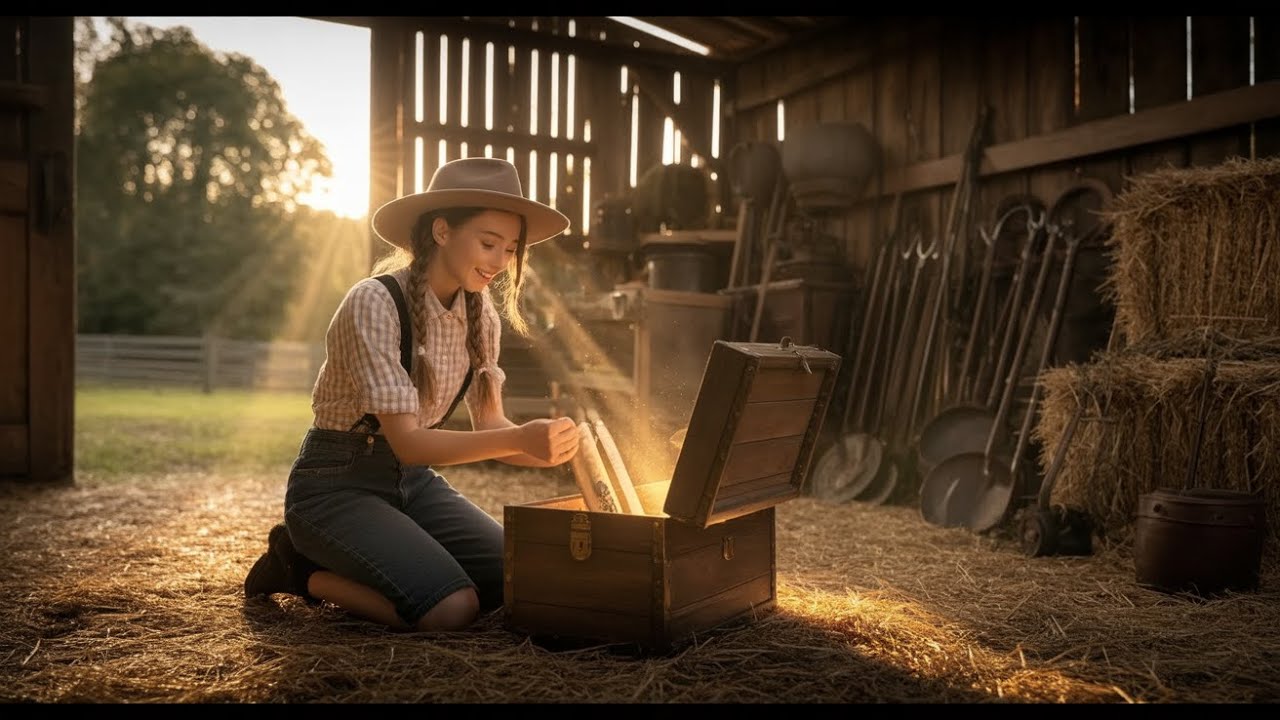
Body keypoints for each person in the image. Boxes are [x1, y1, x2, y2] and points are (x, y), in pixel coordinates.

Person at [243, 157, 581, 632]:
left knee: (518, 579)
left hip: (413, 483)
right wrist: (522, 440)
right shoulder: (374, 301)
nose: (500, 263)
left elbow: (492, 427)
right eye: (488, 243)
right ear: (442, 231)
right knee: (452, 609)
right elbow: (410, 441)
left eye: (510, 249)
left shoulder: (481, 315)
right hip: (336, 484)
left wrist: (551, 448)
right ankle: (299, 570)